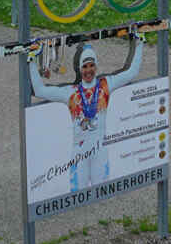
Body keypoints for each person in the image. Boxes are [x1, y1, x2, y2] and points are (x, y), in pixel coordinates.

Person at [29, 35, 144, 192]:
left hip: (100, 150)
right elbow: (39, 90)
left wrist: (140, 42)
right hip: (79, 154)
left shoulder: (106, 84)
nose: (88, 70)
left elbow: (132, 72)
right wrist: (31, 59)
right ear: (79, 68)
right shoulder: (71, 92)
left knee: (102, 193)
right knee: (77, 196)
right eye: (85, 66)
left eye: (91, 65)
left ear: (96, 66)